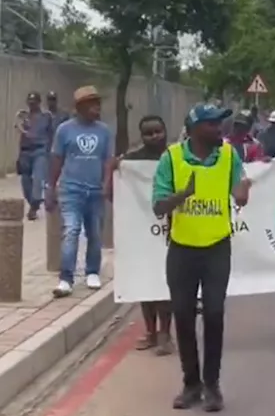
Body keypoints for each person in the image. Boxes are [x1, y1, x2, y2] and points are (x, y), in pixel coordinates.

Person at [152, 103, 251, 412]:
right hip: (182, 249)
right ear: (195, 128)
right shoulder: (172, 158)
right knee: (182, 315)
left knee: (214, 314)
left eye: (220, 124)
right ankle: (190, 384)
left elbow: (240, 187)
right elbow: (158, 207)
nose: (219, 129)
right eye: (212, 125)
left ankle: (213, 385)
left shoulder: (229, 156)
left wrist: (242, 192)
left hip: (217, 247)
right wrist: (184, 194)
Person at [46, 86, 113, 298]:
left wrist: (106, 184)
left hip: (95, 191)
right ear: (80, 107)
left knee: (94, 233)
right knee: (71, 231)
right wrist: (50, 188)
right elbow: (57, 159)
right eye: (92, 104)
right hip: (70, 189)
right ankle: (66, 278)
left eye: (98, 103)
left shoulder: (104, 131)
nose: (97, 108)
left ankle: (92, 271)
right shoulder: (64, 130)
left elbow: (108, 160)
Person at [116, 115, 173, 355]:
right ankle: (150, 332)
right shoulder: (131, 160)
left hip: (170, 231)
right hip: (142, 232)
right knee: (144, 284)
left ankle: (165, 335)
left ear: (165, 131)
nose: (153, 136)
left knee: (164, 285)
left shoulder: (175, 156)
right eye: (148, 133)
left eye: (157, 131)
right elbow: (114, 193)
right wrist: (113, 168)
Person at [17, 91, 54, 220]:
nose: (32, 105)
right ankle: (33, 202)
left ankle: (35, 205)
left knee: (38, 179)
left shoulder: (46, 116)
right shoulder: (23, 116)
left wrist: (50, 151)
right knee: (25, 181)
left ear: (39, 103)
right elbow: (20, 131)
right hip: (26, 152)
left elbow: (51, 134)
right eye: (30, 102)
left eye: (34, 102)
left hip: (40, 150)